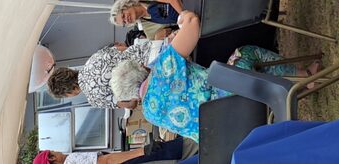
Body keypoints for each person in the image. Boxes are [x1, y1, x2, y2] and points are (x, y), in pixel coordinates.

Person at [111, 11, 313, 141]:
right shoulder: (163, 68)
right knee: (245, 53)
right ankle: (304, 76)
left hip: (229, 135)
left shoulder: (149, 115)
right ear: (141, 67)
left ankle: (291, 90)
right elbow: (193, 23)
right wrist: (182, 18)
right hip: (238, 94)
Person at [45, 40, 153, 108]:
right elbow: (125, 49)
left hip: (151, 80)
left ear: (69, 92)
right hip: (151, 51)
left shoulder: (94, 99)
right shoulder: (93, 58)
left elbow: (130, 104)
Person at [110, 0, 188, 40]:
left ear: (126, 5)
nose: (126, 20)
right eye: (124, 22)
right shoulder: (147, 28)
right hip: (188, 14)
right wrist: (157, 37)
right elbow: (166, 36)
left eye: (123, 16)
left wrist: (185, 16)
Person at [33, 135, 197, 164]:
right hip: (132, 162)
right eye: (53, 152)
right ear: (52, 159)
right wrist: (143, 150)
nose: (57, 151)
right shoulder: (72, 160)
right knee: (183, 148)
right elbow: (107, 161)